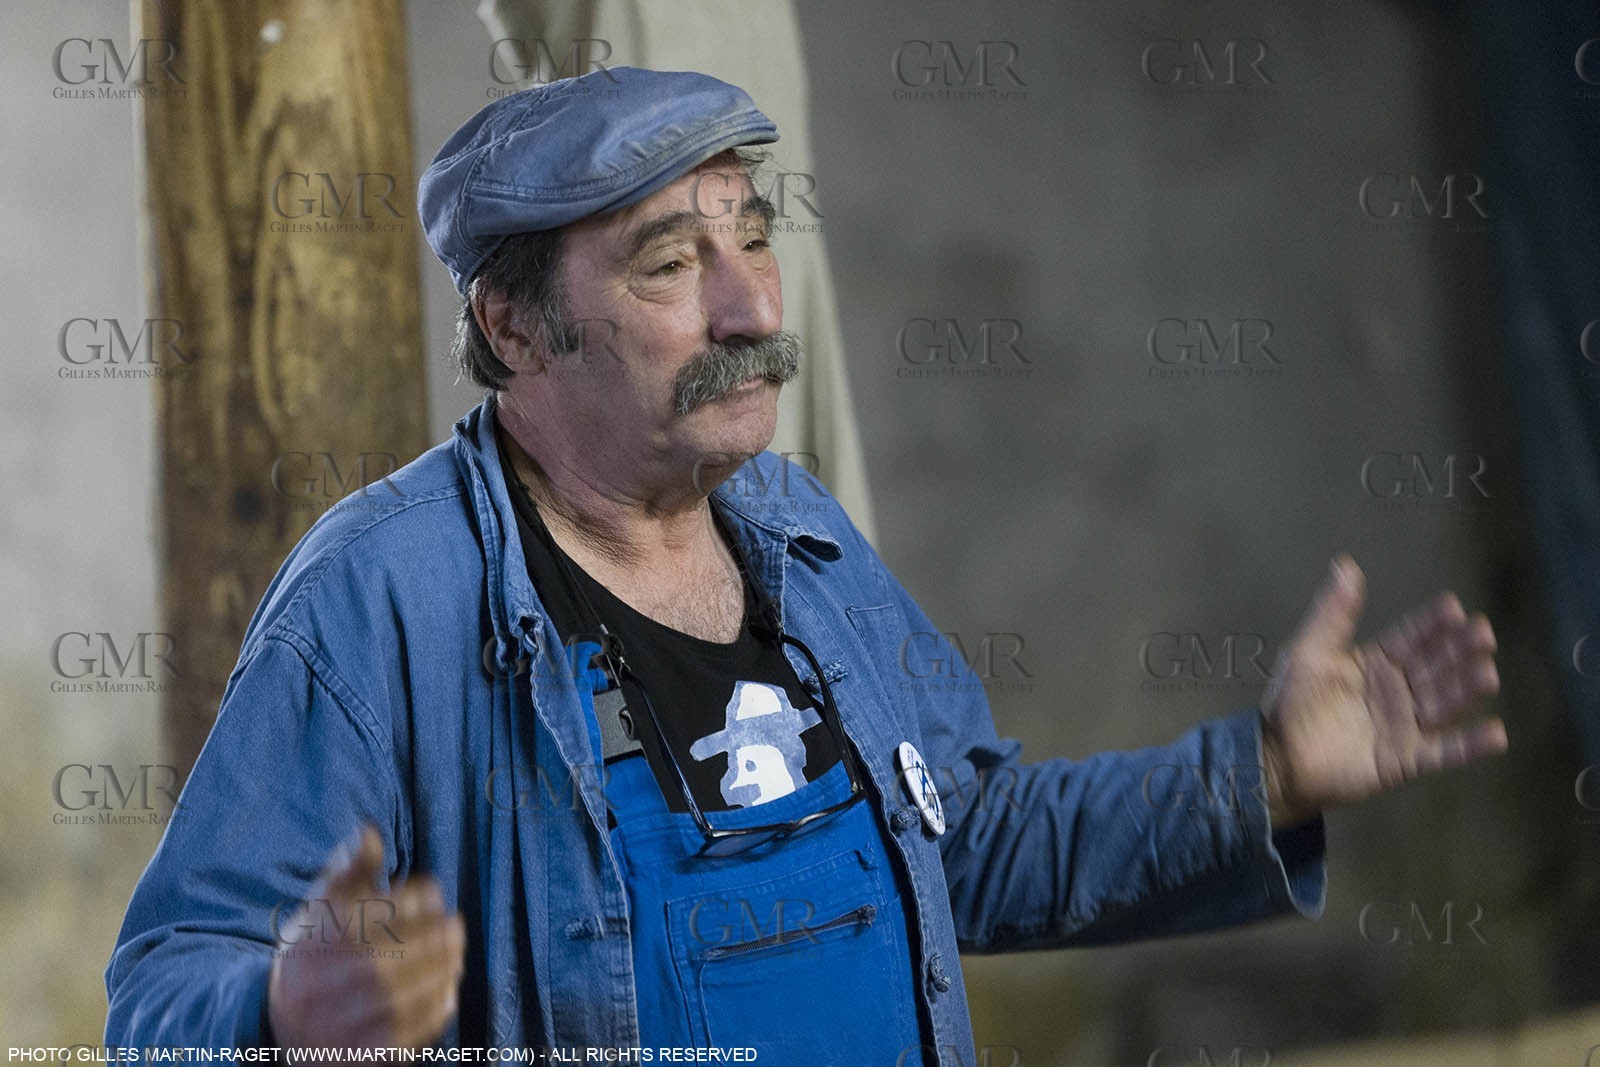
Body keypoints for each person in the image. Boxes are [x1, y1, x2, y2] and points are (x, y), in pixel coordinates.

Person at [104, 67, 1507, 1064]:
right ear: (515, 326)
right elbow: (155, 1000)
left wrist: (1263, 773)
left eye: (754, 236)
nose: (753, 303)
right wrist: (283, 1020)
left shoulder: (799, 537)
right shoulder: (380, 600)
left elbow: (976, 846)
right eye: (671, 263)